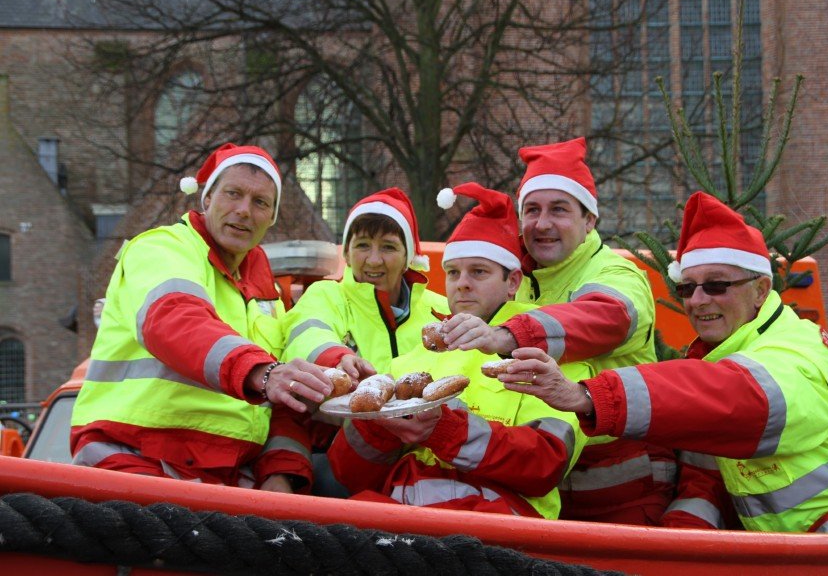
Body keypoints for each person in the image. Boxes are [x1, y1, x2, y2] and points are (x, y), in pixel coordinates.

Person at [504, 191, 828, 533]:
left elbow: (730, 396)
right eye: (687, 287)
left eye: (716, 285)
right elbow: (708, 476)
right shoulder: (732, 350)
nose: (697, 301)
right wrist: (678, 540)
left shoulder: (791, 354)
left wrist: (588, 396)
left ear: (761, 289)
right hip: (815, 547)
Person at [71, 143, 334, 493]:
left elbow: (282, 401)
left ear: (271, 218)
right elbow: (175, 319)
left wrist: (280, 474)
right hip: (134, 457)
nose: (244, 211)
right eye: (233, 194)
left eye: (260, 202)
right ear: (206, 200)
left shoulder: (268, 294)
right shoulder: (162, 248)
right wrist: (261, 371)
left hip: (226, 474)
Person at [439, 138, 671, 525]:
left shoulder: (617, 275)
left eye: (559, 210)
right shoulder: (519, 275)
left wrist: (507, 336)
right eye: (531, 210)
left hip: (617, 486)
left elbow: (605, 316)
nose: (542, 223)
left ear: (589, 220)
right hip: (536, 483)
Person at [327, 183, 588, 517]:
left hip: (496, 524)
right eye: (453, 272)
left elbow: (545, 464)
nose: (462, 282)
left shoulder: (551, 354)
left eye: (478, 271)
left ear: (512, 283)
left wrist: (445, 430)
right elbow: (348, 474)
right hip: (403, 520)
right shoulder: (413, 358)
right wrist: (379, 428)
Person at [281, 187, 448, 377]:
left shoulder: (442, 311)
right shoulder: (325, 296)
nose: (374, 260)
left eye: (388, 247)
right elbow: (306, 336)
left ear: (408, 258)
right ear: (346, 254)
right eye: (363, 245)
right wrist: (336, 358)